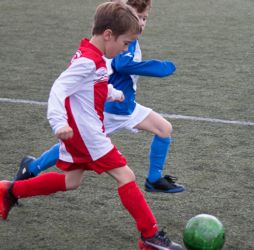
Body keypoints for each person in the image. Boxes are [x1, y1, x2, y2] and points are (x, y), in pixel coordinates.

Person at [0, 2, 183, 249]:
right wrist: (59, 122)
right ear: (108, 35)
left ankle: (12, 190)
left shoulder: (94, 55)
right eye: (125, 43)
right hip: (87, 134)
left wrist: (113, 93)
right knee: (126, 176)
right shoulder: (88, 61)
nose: (125, 49)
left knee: (71, 182)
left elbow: (94, 83)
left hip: (83, 132)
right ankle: (149, 236)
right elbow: (58, 89)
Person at [14, 0, 185, 194]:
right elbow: (122, 65)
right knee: (72, 148)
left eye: (145, 18)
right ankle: (32, 167)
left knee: (164, 129)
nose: (142, 22)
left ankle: (154, 179)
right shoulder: (123, 41)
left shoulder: (129, 39)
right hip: (110, 110)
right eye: (138, 17)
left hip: (126, 106)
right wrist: (158, 67)